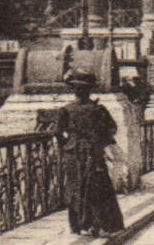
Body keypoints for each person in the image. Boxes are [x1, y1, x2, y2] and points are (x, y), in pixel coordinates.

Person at [52, 71, 125, 236]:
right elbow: (112, 129)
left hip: (73, 153)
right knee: (98, 187)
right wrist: (99, 141)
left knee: (76, 187)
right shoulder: (98, 109)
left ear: (74, 90)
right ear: (89, 90)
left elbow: (57, 132)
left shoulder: (66, 110)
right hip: (93, 152)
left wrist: (68, 145)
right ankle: (100, 224)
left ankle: (80, 225)